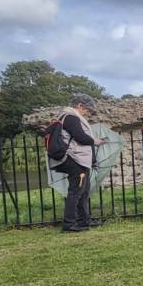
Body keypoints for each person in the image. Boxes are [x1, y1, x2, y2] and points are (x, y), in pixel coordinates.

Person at [48, 92, 104, 233]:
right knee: (76, 191)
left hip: (79, 160)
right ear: (79, 105)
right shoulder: (71, 117)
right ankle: (69, 224)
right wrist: (95, 141)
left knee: (83, 191)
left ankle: (84, 220)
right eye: (87, 109)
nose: (87, 113)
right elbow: (81, 137)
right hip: (75, 160)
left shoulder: (67, 117)